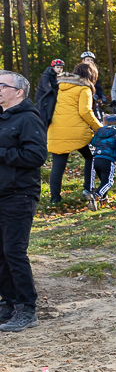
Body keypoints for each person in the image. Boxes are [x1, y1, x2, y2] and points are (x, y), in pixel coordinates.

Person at [0, 70, 47, 332]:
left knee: (14, 252)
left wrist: (2, 153)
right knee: (1, 253)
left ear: (18, 92)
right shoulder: (2, 118)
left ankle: (27, 308)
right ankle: (8, 303)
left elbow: (36, 155)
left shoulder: (29, 119)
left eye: (2, 86)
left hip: (20, 194)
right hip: (1, 192)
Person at [46, 62, 101, 205]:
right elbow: (85, 111)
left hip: (55, 130)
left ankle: (55, 199)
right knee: (92, 156)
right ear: (91, 75)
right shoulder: (84, 88)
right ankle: (88, 189)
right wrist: (100, 128)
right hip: (77, 131)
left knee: (58, 165)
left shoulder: (59, 86)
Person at [87, 114, 116, 210]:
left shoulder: (99, 133)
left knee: (103, 181)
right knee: (108, 182)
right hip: (108, 160)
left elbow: (93, 142)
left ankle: (103, 199)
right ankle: (96, 195)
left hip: (96, 159)